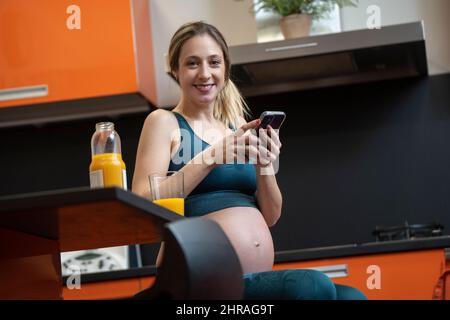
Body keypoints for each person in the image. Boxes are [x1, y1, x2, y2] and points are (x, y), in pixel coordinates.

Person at [132, 21, 366, 300]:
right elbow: (143, 205)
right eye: (192, 63)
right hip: (198, 281)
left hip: (250, 279)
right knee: (310, 286)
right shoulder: (164, 122)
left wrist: (264, 163)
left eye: (214, 62)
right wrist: (212, 157)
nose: (205, 73)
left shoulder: (237, 126)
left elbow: (270, 216)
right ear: (175, 70)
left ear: (226, 69)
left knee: (353, 297)